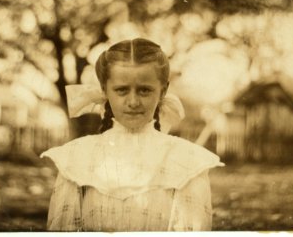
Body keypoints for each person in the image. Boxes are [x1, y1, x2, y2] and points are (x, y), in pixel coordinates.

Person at [40, 38, 223, 231]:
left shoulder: (187, 162)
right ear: (104, 90)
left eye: (144, 90)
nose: (133, 101)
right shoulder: (76, 159)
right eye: (121, 90)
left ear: (163, 91)